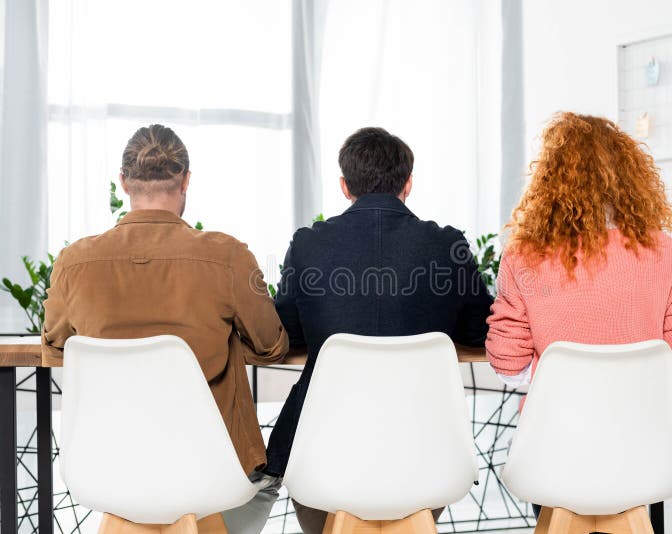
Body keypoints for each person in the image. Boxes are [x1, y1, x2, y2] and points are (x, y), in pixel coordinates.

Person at [42, 124, 289, 534]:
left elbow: (55, 344)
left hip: (110, 466)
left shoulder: (74, 263)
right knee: (264, 481)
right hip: (208, 472)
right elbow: (271, 346)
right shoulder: (227, 256)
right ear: (186, 180)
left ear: (122, 181)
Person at [267, 127, 494, 533]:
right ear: (408, 183)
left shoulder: (307, 246)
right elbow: (481, 332)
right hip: (426, 451)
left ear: (344, 186)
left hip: (322, 452)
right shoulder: (448, 245)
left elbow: (289, 333)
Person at [487, 111, 672, 392]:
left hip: (556, 429)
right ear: (628, 176)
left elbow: (509, 366)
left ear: (548, 178)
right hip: (644, 428)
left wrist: (565, 378)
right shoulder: (662, 249)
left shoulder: (521, 255)